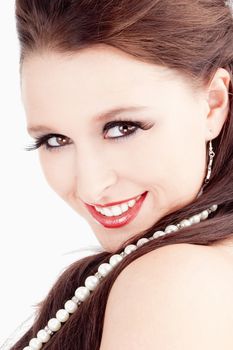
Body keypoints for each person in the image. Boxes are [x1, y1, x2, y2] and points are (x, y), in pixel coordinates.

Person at [9, 0, 233, 349]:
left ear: (213, 103)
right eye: (55, 139)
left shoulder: (175, 281)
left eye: (121, 128)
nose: (91, 186)